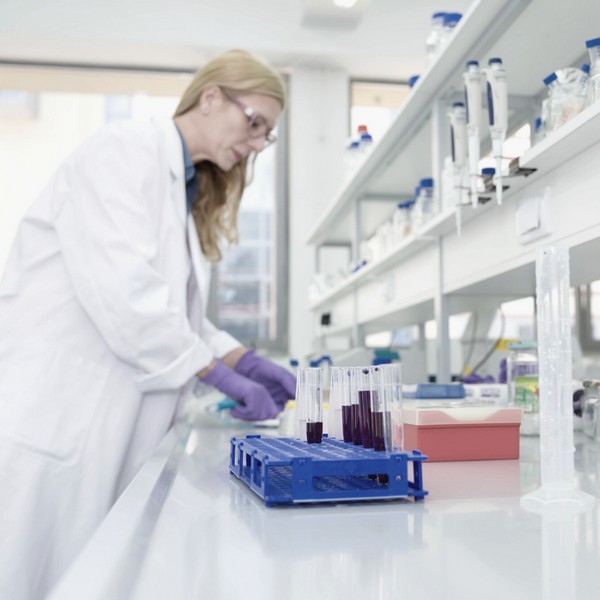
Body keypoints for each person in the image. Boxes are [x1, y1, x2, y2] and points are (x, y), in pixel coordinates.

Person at [0, 49, 296, 600]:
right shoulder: (123, 151)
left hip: (97, 423)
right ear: (211, 98)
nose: (257, 143)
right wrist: (221, 374)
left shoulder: (182, 187)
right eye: (255, 123)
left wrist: (243, 361)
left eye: (267, 136)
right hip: (52, 418)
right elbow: (125, 296)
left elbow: (173, 314)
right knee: (25, 572)